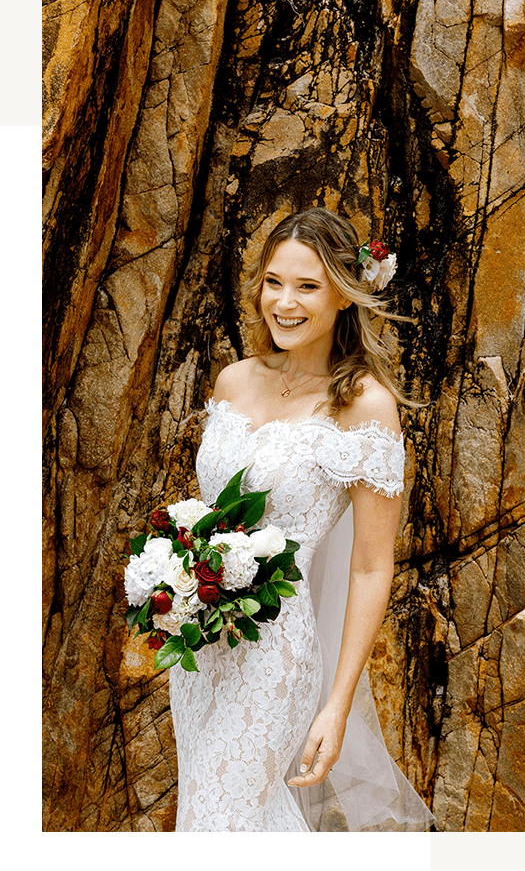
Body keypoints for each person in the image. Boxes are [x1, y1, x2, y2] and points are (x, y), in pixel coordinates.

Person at [169, 206, 435, 832]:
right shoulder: (234, 381)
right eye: (274, 282)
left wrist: (336, 705)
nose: (284, 303)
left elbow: (371, 567)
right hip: (202, 647)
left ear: (345, 296)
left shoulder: (367, 407)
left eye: (308, 286)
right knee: (226, 813)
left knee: (222, 815)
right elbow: (212, 519)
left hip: (276, 655)